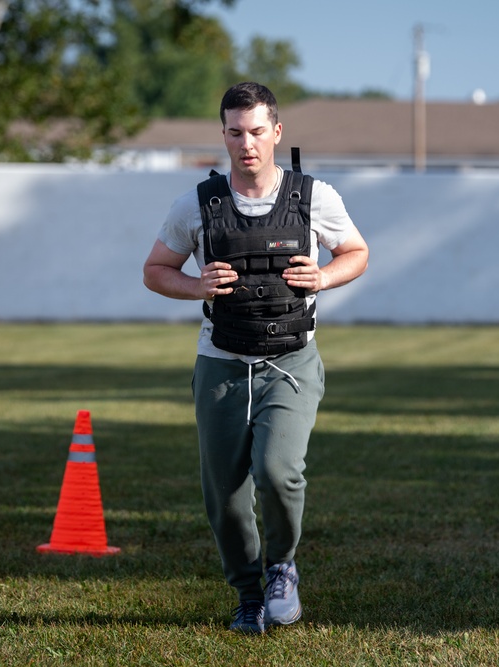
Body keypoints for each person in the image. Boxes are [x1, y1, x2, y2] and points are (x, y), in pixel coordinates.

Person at [142, 82, 369, 634]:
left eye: (257, 132)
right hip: (221, 364)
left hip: (291, 363)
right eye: (235, 132)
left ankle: (281, 567)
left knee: (278, 472)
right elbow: (155, 270)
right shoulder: (196, 205)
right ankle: (248, 595)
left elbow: (356, 253)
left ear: (277, 133)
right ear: (223, 134)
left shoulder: (315, 197)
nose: (247, 144)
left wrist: (324, 275)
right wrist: (196, 286)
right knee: (224, 493)